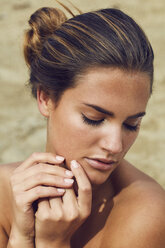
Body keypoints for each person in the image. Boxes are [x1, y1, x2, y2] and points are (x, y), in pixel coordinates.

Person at [0, 3, 165, 248]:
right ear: (45, 98)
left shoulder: (147, 212)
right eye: (94, 119)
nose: (115, 145)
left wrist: (52, 243)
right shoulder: (4, 193)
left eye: (132, 124)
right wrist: (21, 238)